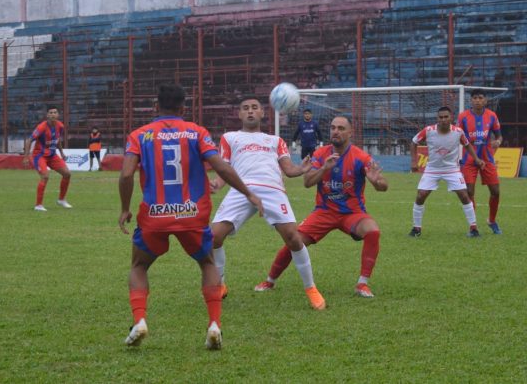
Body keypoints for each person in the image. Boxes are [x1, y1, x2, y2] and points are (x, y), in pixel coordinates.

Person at [118, 84, 264, 350]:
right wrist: (249, 194)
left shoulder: (139, 135)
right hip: (192, 214)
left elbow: (126, 174)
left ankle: (139, 320)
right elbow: (222, 167)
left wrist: (125, 208)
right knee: (207, 263)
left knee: (139, 266)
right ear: (184, 108)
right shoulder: (197, 132)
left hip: (154, 216)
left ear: (155, 107)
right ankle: (214, 324)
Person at [210, 97, 325, 310]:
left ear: (262, 113)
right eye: (245, 108)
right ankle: (220, 284)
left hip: (272, 190)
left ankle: (311, 288)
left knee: (293, 237)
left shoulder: (275, 140)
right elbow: (225, 167)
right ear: (239, 114)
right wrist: (217, 184)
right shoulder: (230, 138)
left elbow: (288, 169)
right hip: (241, 189)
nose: (250, 111)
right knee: (213, 237)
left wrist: (301, 169)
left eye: (254, 108)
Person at [255, 115, 388, 298]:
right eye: (333, 128)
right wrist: (324, 169)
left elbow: (383, 186)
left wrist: (376, 182)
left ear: (350, 132)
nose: (336, 131)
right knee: (294, 240)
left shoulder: (361, 157)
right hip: (324, 211)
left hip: (352, 212)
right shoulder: (320, 154)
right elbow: (307, 182)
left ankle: (362, 284)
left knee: (372, 231)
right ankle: (270, 281)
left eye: (341, 128)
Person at [409, 106, 485, 237]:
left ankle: (474, 228)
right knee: (421, 195)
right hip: (432, 169)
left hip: (452, 170)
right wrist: (414, 162)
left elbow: (467, 145)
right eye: (440, 117)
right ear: (437, 118)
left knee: (464, 195)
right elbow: (413, 142)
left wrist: (477, 159)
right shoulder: (428, 130)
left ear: (451, 118)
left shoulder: (458, 132)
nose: (443, 119)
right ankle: (416, 229)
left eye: (446, 117)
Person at [458, 89, 503, 236]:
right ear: (471, 100)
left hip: (487, 159)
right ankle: (473, 226)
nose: (478, 100)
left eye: (480, 98)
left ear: (485, 100)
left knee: (495, 192)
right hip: (469, 160)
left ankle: (492, 220)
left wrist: (497, 142)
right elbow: (457, 136)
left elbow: (499, 136)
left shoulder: (492, 116)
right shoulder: (463, 117)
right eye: (475, 98)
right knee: (469, 192)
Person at [22, 106, 72, 211]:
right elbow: (29, 140)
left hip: (52, 155)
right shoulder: (41, 127)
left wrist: (62, 153)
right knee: (45, 176)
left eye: (55, 112)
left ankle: (61, 200)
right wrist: (26, 157)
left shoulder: (60, 126)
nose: (53, 114)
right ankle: (38, 205)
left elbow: (57, 140)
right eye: (51, 113)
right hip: (39, 155)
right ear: (47, 115)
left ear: (58, 115)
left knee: (67, 174)